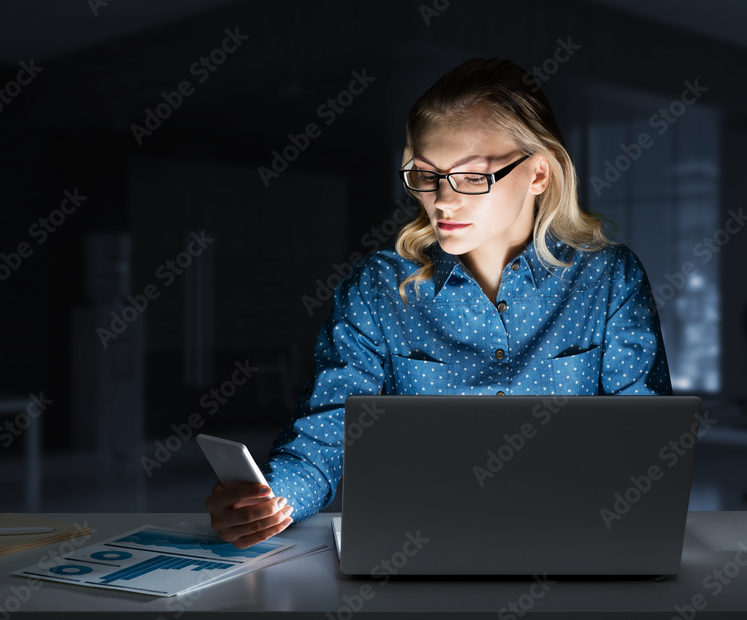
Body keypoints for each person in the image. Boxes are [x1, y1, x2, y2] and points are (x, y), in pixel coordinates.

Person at [205, 57, 672, 548]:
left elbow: (645, 445)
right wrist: (266, 501)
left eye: (472, 177)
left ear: (539, 174)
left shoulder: (609, 277)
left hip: (574, 541)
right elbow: (324, 437)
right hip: (417, 547)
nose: (443, 201)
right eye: (426, 176)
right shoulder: (377, 288)